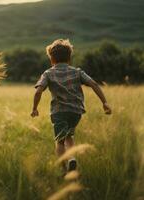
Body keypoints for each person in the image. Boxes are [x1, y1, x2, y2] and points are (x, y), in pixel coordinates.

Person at [31, 39, 112, 173]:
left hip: (58, 112)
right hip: (76, 112)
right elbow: (94, 84)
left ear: (51, 59)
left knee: (60, 141)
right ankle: (72, 157)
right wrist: (104, 102)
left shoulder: (48, 73)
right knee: (69, 136)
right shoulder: (77, 71)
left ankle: (64, 170)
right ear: (69, 58)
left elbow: (38, 90)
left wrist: (34, 108)